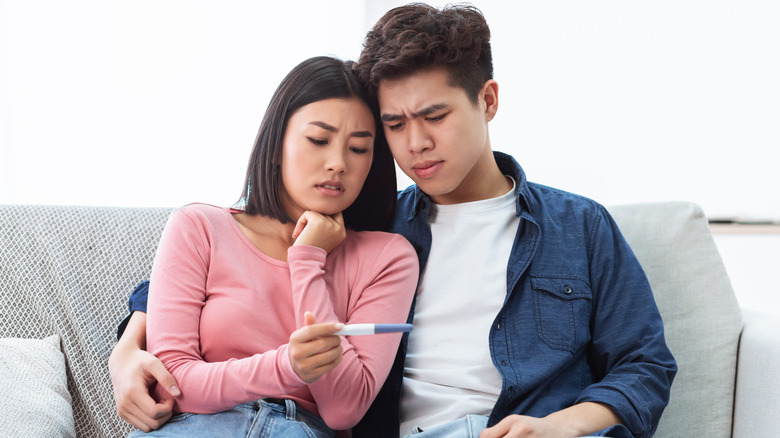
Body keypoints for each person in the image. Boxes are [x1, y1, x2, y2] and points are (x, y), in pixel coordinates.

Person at [111, 4, 677, 438]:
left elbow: (645, 365)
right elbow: (221, 267)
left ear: (488, 100)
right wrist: (128, 350)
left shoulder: (579, 227)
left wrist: (558, 425)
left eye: (435, 116)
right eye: (395, 124)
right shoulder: (376, 225)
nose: (417, 144)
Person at [114, 55, 419, 437]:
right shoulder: (199, 227)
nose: (338, 163)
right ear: (277, 146)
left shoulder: (388, 258)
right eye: (318, 140)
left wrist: (308, 259)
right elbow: (171, 385)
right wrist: (287, 366)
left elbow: (344, 410)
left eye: (359, 149)